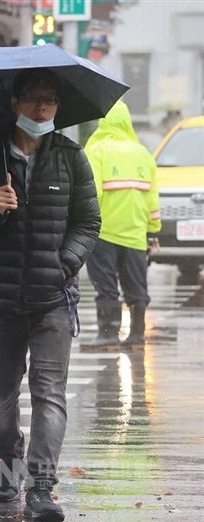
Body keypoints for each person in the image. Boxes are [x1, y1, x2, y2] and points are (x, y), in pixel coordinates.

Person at [0, 69, 101, 522]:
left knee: (49, 392)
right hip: (1, 294)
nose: (43, 109)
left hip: (54, 296)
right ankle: (8, 457)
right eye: (34, 99)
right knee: (1, 390)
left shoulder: (70, 157)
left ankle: (40, 486)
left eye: (51, 101)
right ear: (15, 103)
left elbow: (88, 222)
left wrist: (65, 264)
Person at [82, 101, 161, 349]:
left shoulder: (97, 150)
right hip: (136, 234)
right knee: (136, 284)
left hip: (104, 232)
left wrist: (82, 224)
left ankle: (108, 334)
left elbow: (92, 193)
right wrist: (152, 231)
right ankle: (137, 334)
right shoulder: (143, 154)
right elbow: (152, 198)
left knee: (106, 285)